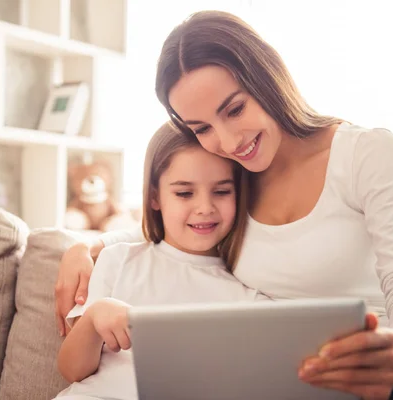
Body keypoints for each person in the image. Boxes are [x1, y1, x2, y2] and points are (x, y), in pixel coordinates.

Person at [55, 11, 393, 400]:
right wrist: (88, 246)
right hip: (329, 375)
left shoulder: (365, 152)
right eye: (202, 129)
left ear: (267, 76)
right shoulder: (234, 175)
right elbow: (178, 230)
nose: (229, 141)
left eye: (234, 109)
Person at [54, 122, 268, 400]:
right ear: (155, 196)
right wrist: (94, 317)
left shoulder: (247, 297)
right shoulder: (118, 260)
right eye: (184, 193)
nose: (205, 207)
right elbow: (72, 371)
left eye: (222, 191)